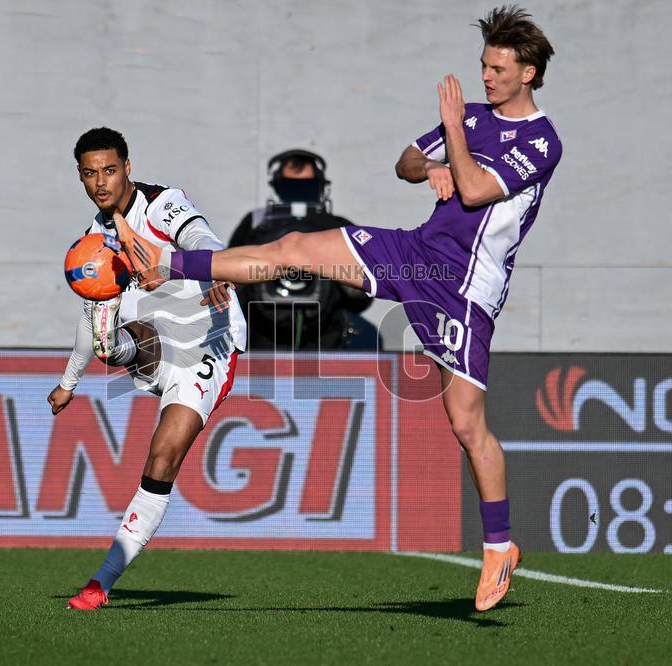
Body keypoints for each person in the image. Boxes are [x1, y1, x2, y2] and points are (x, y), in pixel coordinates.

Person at [122, 6, 560, 611]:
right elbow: (406, 163)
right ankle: (166, 263)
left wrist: (454, 134)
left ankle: (498, 547)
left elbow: (479, 188)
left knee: (465, 423)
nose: (486, 76)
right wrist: (430, 162)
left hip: (462, 287)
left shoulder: (541, 141)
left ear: (528, 73)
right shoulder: (473, 117)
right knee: (295, 249)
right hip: (415, 252)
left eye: (498, 68)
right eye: (483, 65)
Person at [47, 127, 247, 611]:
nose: (101, 182)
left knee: (162, 460)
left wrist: (212, 271)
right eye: (91, 173)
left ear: (128, 168)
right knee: (104, 313)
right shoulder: (96, 239)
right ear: (80, 177)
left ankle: (102, 582)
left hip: (209, 341)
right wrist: (68, 382)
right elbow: (85, 311)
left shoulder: (161, 203)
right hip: (154, 338)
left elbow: (201, 237)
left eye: (110, 170)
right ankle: (111, 341)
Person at [229, 149, 378, 350]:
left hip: (324, 340)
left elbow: (362, 296)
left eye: (306, 186)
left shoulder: (339, 228)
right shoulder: (255, 223)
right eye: (292, 186)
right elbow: (230, 282)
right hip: (262, 341)